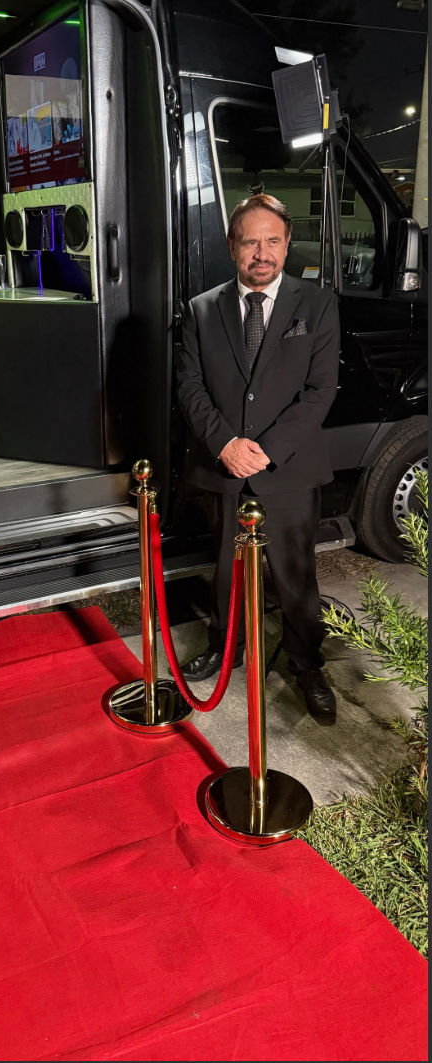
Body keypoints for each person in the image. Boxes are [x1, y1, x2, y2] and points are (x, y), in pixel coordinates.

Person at [176, 194, 340, 723]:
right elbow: (190, 384)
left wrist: (265, 450)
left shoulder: (316, 305)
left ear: (287, 244)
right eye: (251, 241)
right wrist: (225, 444)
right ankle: (226, 648)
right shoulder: (201, 309)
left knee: (295, 575)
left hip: (287, 468)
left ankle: (306, 662)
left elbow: (320, 391)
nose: (262, 252)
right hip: (223, 469)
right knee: (226, 571)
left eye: (272, 240)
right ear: (232, 246)